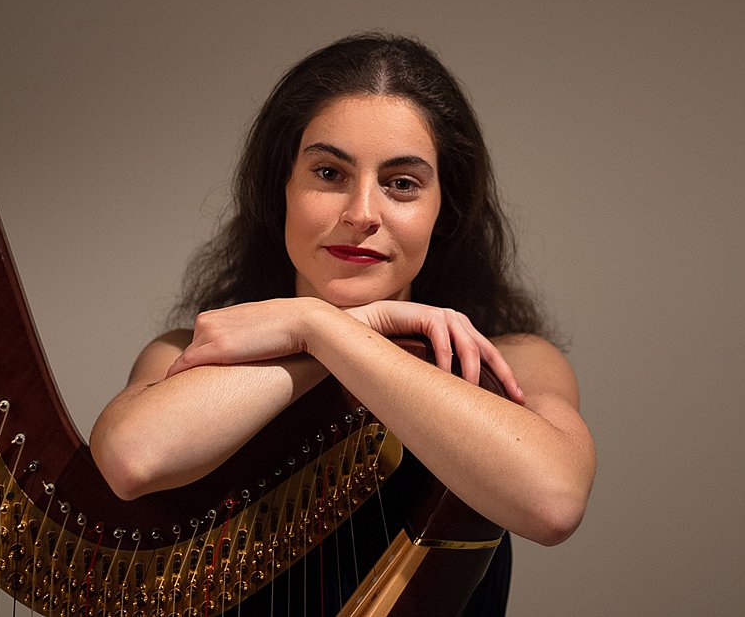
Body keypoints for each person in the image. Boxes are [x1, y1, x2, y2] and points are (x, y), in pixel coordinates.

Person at [90, 33, 595, 615]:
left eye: (401, 184)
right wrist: (349, 324)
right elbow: (131, 459)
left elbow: (554, 503)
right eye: (329, 173)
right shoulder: (185, 351)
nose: (361, 214)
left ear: (444, 210)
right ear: (280, 190)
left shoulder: (514, 360)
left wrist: (319, 327)